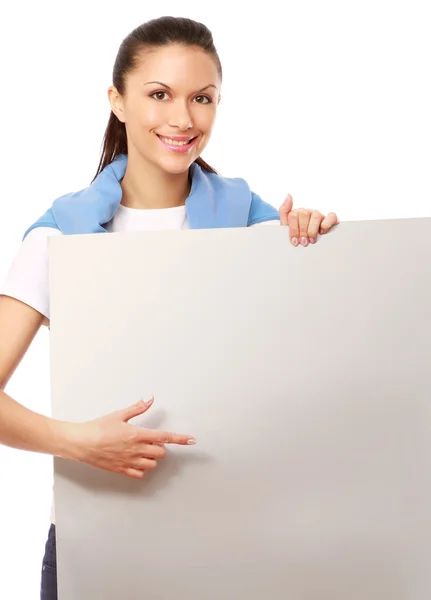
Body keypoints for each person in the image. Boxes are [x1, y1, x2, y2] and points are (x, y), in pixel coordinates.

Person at [0, 15, 339, 600]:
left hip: (241, 535)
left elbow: (318, 370)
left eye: (201, 99)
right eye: (160, 95)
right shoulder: (61, 236)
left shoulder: (255, 226)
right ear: (119, 101)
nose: (183, 119)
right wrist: (77, 441)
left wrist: (313, 244)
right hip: (98, 539)